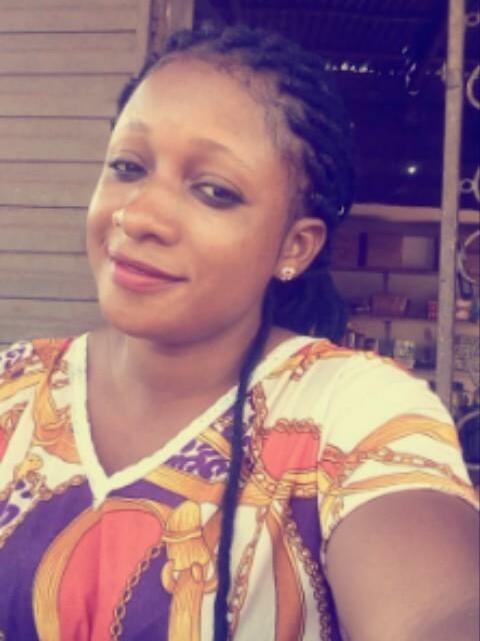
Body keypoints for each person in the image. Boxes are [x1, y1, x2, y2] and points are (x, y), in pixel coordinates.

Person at [0, 24, 478, 641]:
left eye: (214, 191)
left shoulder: (351, 410)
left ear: (294, 246)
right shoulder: (15, 386)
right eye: (127, 166)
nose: (138, 216)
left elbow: (437, 610)